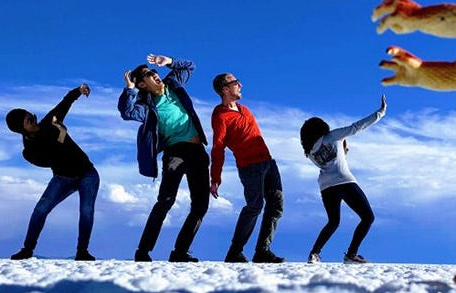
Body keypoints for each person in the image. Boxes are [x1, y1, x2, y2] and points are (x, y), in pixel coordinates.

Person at [118, 54, 210, 262]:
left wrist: (168, 62)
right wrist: (130, 88)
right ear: (142, 84)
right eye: (149, 75)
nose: (155, 75)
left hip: (197, 151)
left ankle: (180, 252)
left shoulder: (173, 84)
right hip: (175, 152)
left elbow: (190, 65)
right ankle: (143, 251)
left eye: (154, 72)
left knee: (200, 206)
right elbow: (127, 112)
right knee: (166, 201)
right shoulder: (146, 105)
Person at [5, 84, 99, 261]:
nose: (34, 119)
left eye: (32, 115)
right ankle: (27, 250)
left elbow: (65, 103)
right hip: (62, 178)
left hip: (87, 173)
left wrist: (79, 90)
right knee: (40, 210)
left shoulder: (50, 121)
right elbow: (52, 160)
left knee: (86, 211)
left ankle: (82, 251)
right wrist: (61, 135)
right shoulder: (29, 152)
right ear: (22, 129)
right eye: (29, 120)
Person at [300, 95, 386, 264]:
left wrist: (343, 152)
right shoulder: (332, 136)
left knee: (333, 221)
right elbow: (356, 127)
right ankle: (351, 254)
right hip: (344, 181)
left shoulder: (310, 152)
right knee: (368, 217)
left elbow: (330, 161)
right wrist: (380, 112)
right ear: (322, 127)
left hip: (326, 187)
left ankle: (314, 253)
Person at [211, 73, 284, 263]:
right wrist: (215, 178)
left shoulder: (245, 110)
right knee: (255, 206)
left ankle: (262, 251)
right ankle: (234, 252)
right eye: (235, 83)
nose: (240, 85)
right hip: (250, 167)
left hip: (268, 163)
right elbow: (218, 147)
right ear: (225, 89)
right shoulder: (220, 115)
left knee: (276, 206)